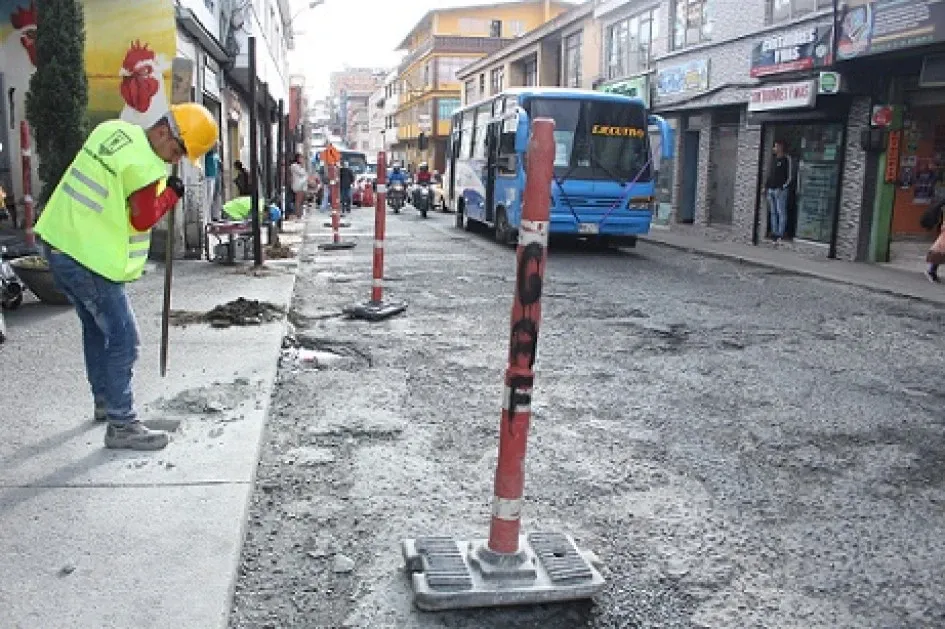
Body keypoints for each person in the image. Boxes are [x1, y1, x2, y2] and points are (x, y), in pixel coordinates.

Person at [35, 103, 218, 450]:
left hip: (58, 245)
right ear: (163, 132)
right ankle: (122, 423)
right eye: (177, 150)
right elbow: (143, 218)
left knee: (94, 327)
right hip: (89, 259)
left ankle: (105, 401)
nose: (174, 159)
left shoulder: (113, 131)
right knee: (124, 339)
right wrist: (171, 194)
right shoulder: (144, 165)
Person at [764, 140, 792, 243]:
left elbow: (789, 176)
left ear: (780, 147)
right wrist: (766, 187)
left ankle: (780, 233)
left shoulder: (786, 159)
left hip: (780, 190)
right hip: (771, 189)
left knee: (781, 212)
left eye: (775, 147)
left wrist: (783, 187)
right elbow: (770, 174)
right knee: (773, 212)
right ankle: (774, 232)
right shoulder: (774, 160)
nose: (774, 149)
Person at [290, 153, 308, 219]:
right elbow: (302, 173)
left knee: (301, 201)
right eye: (301, 158)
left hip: (302, 185)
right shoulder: (294, 166)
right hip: (298, 185)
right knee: (298, 201)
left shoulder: (299, 166)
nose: (302, 159)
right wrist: (303, 166)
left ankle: (300, 214)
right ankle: (298, 215)